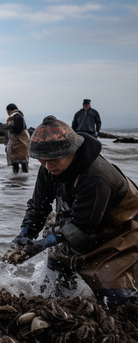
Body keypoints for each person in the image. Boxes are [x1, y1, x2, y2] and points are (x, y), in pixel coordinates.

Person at [9, 116, 138, 306]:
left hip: (119, 234)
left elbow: (83, 226)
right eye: (42, 161)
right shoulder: (48, 167)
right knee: (56, 283)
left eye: (53, 160)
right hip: (74, 228)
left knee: (115, 301)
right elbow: (39, 206)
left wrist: (44, 243)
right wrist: (25, 232)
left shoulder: (96, 176)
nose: (48, 166)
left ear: (73, 150)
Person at [5, 103, 30, 174]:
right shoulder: (19, 116)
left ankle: (17, 177)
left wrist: (10, 127)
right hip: (21, 141)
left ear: (9, 110)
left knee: (18, 160)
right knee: (22, 159)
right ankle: (22, 177)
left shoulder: (17, 116)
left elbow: (19, 129)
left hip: (19, 141)